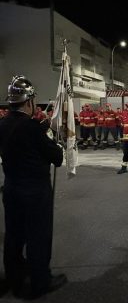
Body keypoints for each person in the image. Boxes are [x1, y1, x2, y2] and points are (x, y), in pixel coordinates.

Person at [0, 75, 67, 299]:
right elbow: (56, 157)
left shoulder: (2, 124)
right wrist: (50, 136)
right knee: (38, 237)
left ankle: (14, 278)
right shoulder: (32, 127)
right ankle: (40, 282)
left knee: (14, 237)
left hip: (11, 189)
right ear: (28, 101)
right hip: (35, 193)